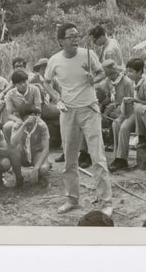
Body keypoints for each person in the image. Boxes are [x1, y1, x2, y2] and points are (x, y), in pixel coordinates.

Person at [43, 22, 112, 215]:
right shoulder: (54, 60)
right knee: (69, 159)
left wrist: (94, 80)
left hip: (89, 108)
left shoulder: (88, 54)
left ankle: (106, 203)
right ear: (61, 41)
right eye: (71, 37)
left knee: (97, 157)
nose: (75, 40)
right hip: (68, 111)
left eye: (77, 36)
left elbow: (102, 73)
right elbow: (46, 82)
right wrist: (57, 98)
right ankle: (72, 199)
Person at [109, 58, 146, 172]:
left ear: (139, 72)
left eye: (132, 71)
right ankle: (119, 158)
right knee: (116, 124)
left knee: (124, 127)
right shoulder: (133, 83)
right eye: (128, 71)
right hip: (131, 111)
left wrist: (134, 100)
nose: (129, 74)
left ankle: (121, 159)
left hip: (141, 115)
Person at [9, 103, 51, 187]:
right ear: (22, 118)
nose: (30, 119)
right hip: (23, 154)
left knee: (43, 168)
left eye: (32, 116)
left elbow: (46, 148)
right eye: (26, 117)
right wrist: (24, 125)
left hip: (36, 153)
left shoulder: (41, 125)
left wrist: (36, 168)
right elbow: (13, 144)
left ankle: (40, 175)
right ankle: (19, 178)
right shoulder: (18, 125)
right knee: (14, 149)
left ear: (36, 116)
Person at [2, 70, 42, 145]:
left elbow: (38, 109)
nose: (23, 85)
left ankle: (37, 146)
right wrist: (19, 121)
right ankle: (11, 148)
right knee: (7, 126)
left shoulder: (35, 89)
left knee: (40, 125)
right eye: (20, 83)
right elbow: (9, 114)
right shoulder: (10, 94)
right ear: (14, 84)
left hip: (33, 115)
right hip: (18, 117)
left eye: (25, 81)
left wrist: (33, 118)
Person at [101, 59, 134, 149]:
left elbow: (129, 101)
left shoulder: (127, 82)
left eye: (110, 74)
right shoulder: (108, 81)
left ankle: (117, 145)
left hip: (126, 109)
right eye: (107, 75)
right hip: (114, 107)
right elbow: (109, 97)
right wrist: (101, 105)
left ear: (114, 70)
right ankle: (109, 141)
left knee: (114, 118)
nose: (109, 77)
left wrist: (114, 107)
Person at [30, 57, 62, 150]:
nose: (45, 70)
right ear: (39, 70)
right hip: (41, 105)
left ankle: (57, 142)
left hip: (52, 104)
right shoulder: (34, 80)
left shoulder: (53, 80)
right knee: (61, 112)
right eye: (43, 68)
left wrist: (59, 99)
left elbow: (60, 92)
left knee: (62, 113)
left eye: (47, 68)